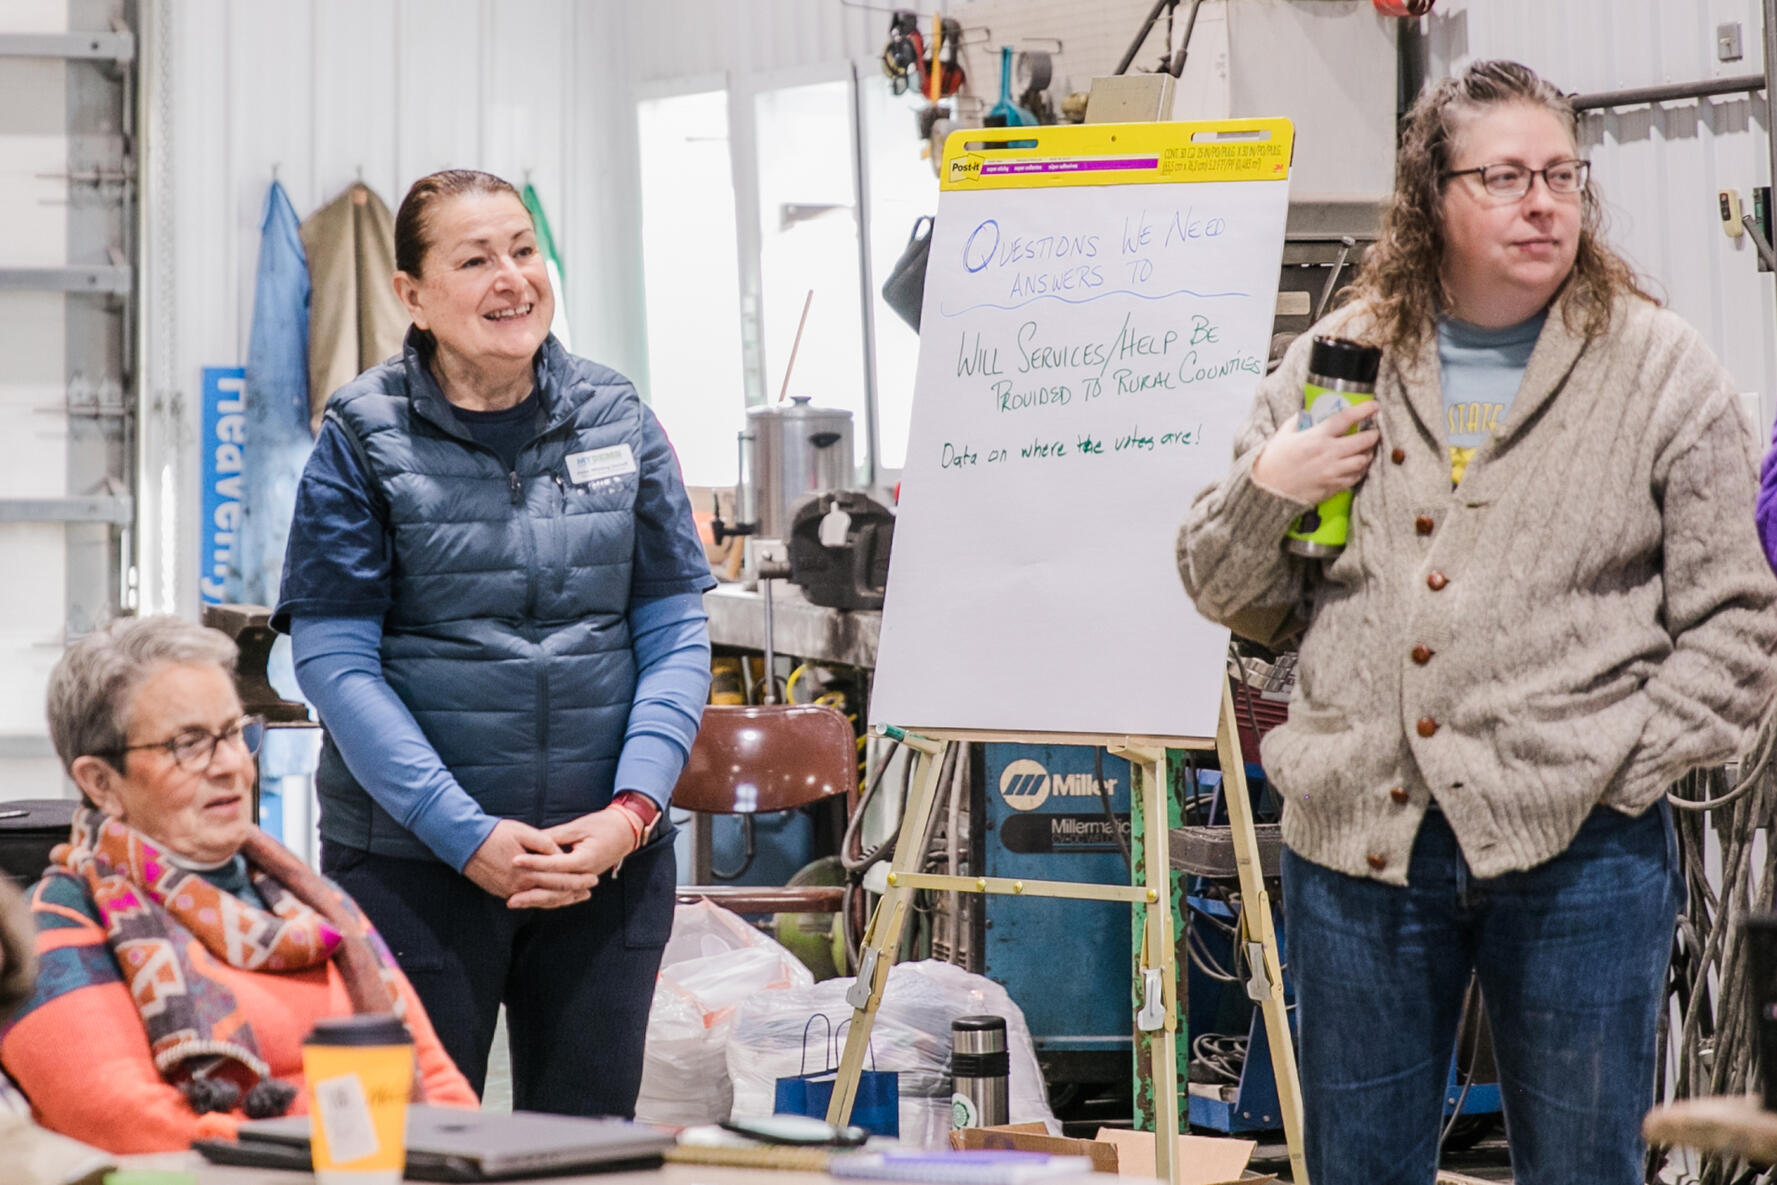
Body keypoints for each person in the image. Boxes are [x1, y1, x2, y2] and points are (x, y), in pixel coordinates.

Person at [1178, 60, 1777, 1185]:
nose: (1542, 202)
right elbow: (1224, 591)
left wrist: (1618, 770)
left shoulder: (1658, 370)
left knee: (1584, 1168)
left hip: (1583, 855)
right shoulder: (1336, 363)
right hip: (1358, 847)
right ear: (1429, 195)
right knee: (1358, 1167)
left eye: (1559, 174)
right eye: (1503, 176)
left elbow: (1738, 620)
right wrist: (1275, 481)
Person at [272, 168, 715, 1117]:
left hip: (603, 864)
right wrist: (461, 834)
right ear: (413, 295)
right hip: (410, 867)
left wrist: (631, 814)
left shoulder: (616, 414)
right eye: (474, 259)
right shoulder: (361, 434)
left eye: (523, 249)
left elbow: (675, 629)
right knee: (408, 1144)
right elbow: (334, 662)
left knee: (586, 1147)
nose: (512, 277)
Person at [0, 616, 476, 1154]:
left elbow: (435, 1080)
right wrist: (361, 1139)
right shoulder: (59, 929)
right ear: (100, 782)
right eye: (190, 744)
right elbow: (129, 1125)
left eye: (234, 733)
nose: (230, 765)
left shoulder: (316, 906)